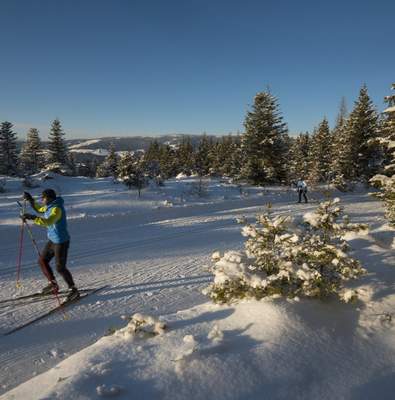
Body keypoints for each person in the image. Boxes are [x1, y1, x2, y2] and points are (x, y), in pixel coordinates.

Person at [22, 189, 79, 301]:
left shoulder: (57, 209)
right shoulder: (49, 206)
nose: (42, 200)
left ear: (50, 198)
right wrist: (30, 200)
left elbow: (48, 222)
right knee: (42, 261)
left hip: (61, 241)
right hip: (52, 240)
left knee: (60, 267)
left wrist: (33, 218)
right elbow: (39, 209)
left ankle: (73, 290)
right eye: (42, 198)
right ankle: (53, 284)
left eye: (44, 198)